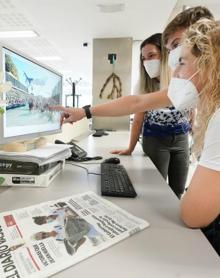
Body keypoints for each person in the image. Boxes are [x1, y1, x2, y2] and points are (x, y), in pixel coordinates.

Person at [111, 33, 190, 198]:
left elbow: (191, 108)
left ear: (165, 55)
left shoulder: (182, 78)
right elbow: (138, 117)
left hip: (181, 139)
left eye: (151, 55)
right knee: (157, 188)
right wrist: (130, 148)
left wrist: (195, 132)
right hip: (155, 140)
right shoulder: (143, 85)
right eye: (143, 58)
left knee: (178, 190)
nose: (147, 61)